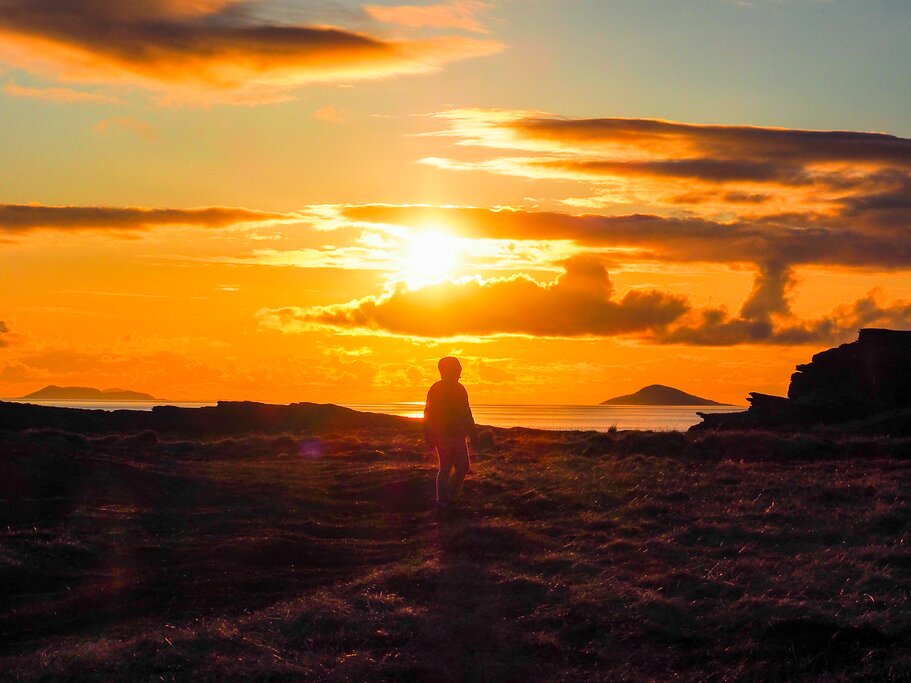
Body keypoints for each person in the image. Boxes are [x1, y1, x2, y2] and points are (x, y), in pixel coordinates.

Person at [424, 356, 478, 508]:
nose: (460, 370)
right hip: (444, 435)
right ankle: (444, 500)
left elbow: (466, 412)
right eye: (457, 368)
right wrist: (429, 434)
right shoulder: (438, 388)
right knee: (448, 467)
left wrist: (472, 433)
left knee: (461, 466)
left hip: (457, 434)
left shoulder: (459, 389)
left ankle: (449, 498)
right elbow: (429, 411)